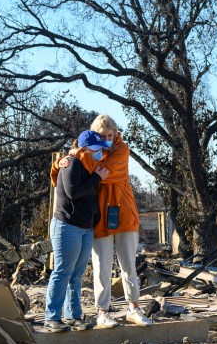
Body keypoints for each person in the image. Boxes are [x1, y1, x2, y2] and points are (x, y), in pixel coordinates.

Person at [56, 114, 151, 328]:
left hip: (124, 215)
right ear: (94, 136)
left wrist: (77, 155)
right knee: (101, 267)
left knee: (128, 264)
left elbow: (104, 172)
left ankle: (134, 308)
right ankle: (102, 311)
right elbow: (66, 173)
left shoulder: (121, 150)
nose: (107, 139)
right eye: (102, 136)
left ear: (116, 134)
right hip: (98, 217)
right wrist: (61, 162)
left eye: (111, 135)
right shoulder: (82, 154)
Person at [43, 130, 109, 332]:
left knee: (77, 274)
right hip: (67, 225)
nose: (100, 153)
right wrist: (97, 178)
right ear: (86, 149)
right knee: (62, 271)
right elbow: (73, 191)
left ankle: (73, 315)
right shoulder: (71, 163)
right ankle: (52, 317)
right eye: (97, 149)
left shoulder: (89, 165)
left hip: (84, 227)